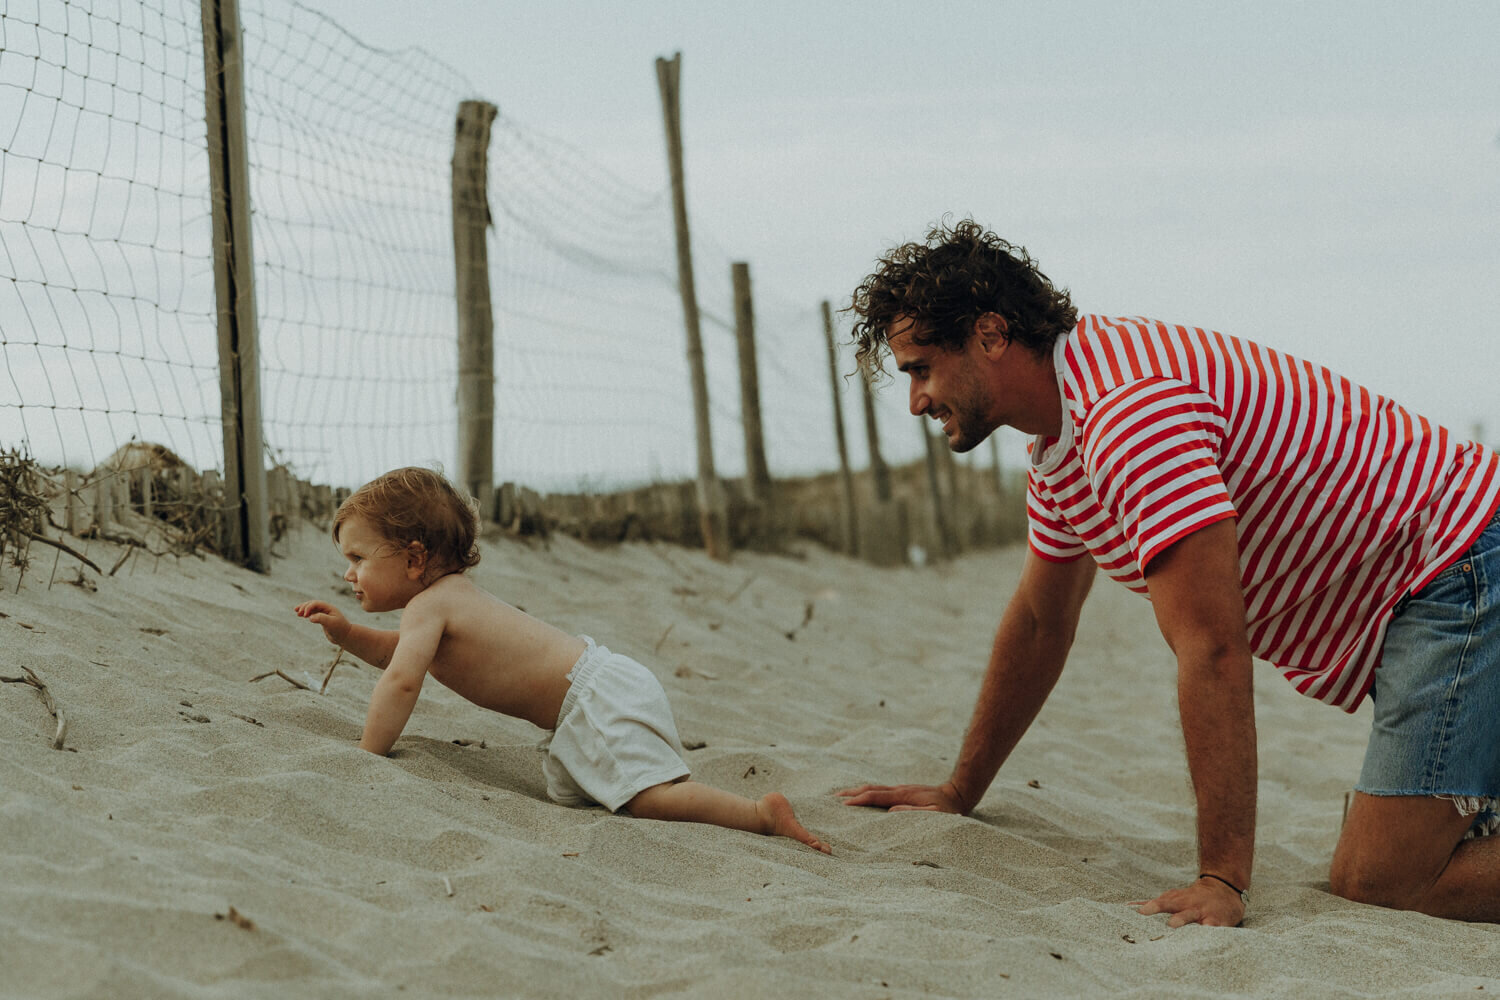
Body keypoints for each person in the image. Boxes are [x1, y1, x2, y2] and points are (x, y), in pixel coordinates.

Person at [835, 218, 1500, 926]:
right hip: (1444, 577)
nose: (915, 401)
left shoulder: (1128, 416)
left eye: (922, 368)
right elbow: (1039, 620)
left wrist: (1222, 878)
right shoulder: (1064, 439)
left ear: (992, 336)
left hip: (1460, 569)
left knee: (1385, 882)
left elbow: (1211, 646)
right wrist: (959, 789)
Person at [294, 466, 830, 854]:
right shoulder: (443, 602)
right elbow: (399, 657)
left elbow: (402, 682)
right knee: (602, 794)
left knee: (647, 799)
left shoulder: (428, 609)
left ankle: (759, 815)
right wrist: (346, 634)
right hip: (599, 686)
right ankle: (739, 809)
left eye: (358, 559)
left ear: (414, 558)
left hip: (591, 700)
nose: (349, 575)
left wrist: (368, 753)